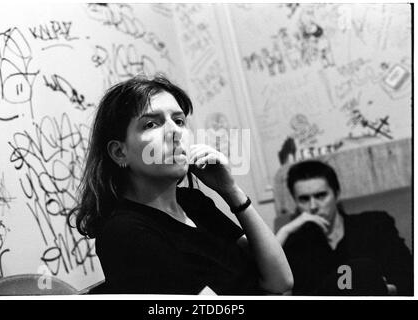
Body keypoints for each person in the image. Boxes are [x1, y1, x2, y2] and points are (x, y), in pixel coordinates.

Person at [69, 75, 293, 295]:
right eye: (151, 124)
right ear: (120, 152)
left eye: (179, 121)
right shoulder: (125, 231)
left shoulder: (193, 203)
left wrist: (231, 191)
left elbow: (280, 281)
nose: (174, 132)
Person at [276, 160, 413, 296]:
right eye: (304, 199)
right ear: (295, 201)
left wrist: (383, 289)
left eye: (321, 196)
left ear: (336, 194)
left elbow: (407, 275)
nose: (313, 206)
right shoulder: (295, 243)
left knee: (361, 268)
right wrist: (284, 231)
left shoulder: (375, 224)